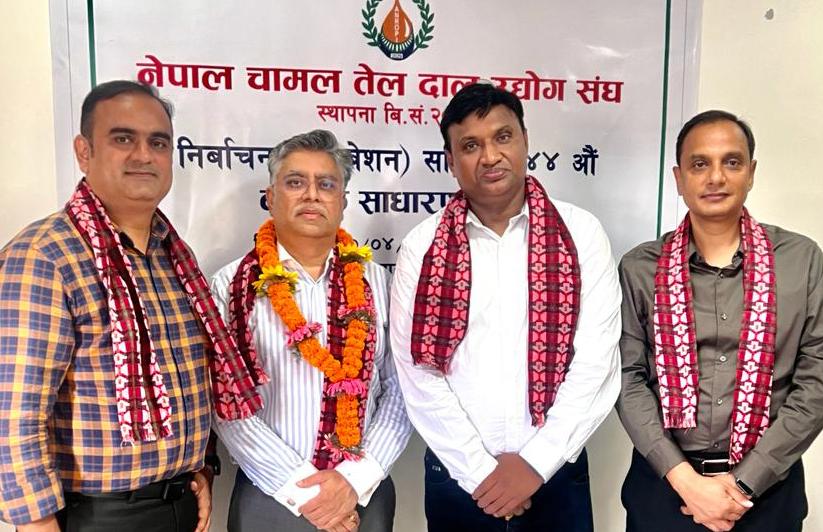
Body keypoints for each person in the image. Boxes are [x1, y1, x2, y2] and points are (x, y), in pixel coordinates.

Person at [0, 80, 264, 532]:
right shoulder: (45, 256)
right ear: (84, 152)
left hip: (181, 505)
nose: (144, 155)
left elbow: (191, 379)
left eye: (158, 143)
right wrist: (37, 525)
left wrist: (201, 468)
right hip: (98, 516)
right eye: (123, 138)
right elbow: (13, 415)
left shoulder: (173, 256)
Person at [389, 82, 622, 532]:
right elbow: (417, 371)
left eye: (503, 137)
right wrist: (480, 472)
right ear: (451, 161)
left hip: (556, 472)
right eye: (470, 145)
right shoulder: (422, 247)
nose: (490, 156)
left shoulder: (581, 233)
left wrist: (535, 464)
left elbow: (596, 359)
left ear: (525, 141)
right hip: (458, 477)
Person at [617, 110, 823, 531]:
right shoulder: (640, 268)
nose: (716, 177)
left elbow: (821, 376)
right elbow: (626, 377)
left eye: (732, 162)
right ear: (679, 178)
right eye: (699, 164)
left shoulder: (800, 260)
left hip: (768, 492)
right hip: (665, 489)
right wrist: (686, 481)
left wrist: (744, 483)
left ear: (751, 173)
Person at [210, 130, 412, 532]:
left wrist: (353, 481)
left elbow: (403, 389)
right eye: (295, 182)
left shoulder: (380, 283)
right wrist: (307, 493)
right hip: (269, 497)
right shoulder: (233, 286)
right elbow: (225, 403)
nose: (312, 195)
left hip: (363, 496)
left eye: (326, 184)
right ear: (270, 196)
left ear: (343, 201)